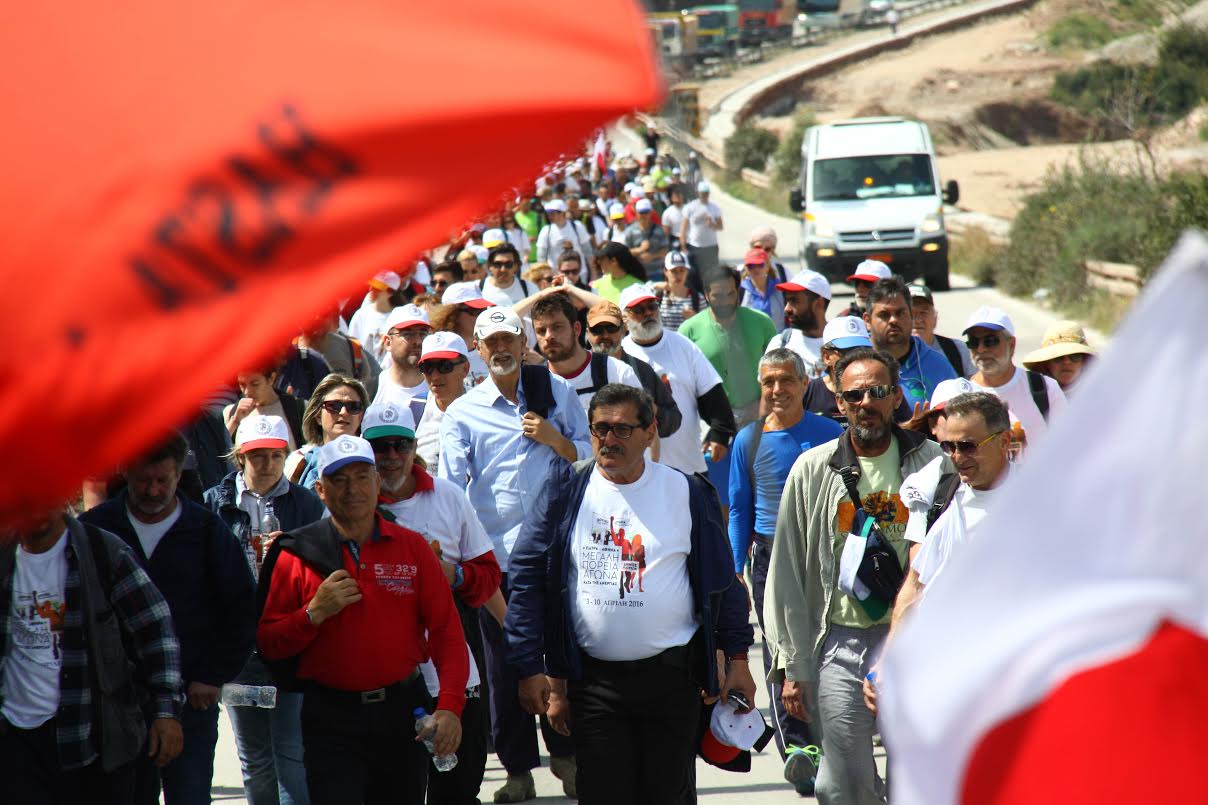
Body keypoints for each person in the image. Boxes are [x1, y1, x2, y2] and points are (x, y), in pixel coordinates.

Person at [506, 383, 757, 805]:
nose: (609, 439)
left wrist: (737, 660)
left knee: (667, 794)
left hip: (672, 680)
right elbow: (528, 576)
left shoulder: (688, 492)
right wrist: (534, 668)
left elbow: (722, 583)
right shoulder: (566, 490)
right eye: (600, 429)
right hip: (594, 684)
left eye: (622, 429)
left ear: (650, 431)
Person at [763, 348, 948, 805]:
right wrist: (793, 666)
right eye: (854, 395)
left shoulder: (934, 463)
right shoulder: (812, 469)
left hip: (913, 644)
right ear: (839, 403)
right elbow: (786, 572)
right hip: (840, 644)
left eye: (878, 391)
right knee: (840, 785)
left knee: (917, 779)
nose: (867, 402)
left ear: (896, 396)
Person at [256, 435, 469, 805]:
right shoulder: (297, 553)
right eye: (339, 480)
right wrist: (312, 614)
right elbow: (269, 644)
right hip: (331, 718)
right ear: (320, 490)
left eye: (361, 477)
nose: (352, 489)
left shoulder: (413, 547)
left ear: (377, 482)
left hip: (403, 713)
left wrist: (450, 706)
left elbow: (447, 632)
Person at [439, 306, 590, 802]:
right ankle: (518, 770)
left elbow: (592, 454)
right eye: (491, 342)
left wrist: (554, 438)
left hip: (556, 550)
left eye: (509, 339)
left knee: (560, 655)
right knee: (504, 667)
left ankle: (566, 757)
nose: (501, 348)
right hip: (496, 558)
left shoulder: (557, 392)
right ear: (478, 351)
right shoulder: (463, 412)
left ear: (523, 344)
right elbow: (450, 487)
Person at [81, 432, 257, 805]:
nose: (153, 490)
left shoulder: (207, 531)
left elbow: (241, 609)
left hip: (190, 698)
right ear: (125, 472)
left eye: (163, 480)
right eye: (144, 480)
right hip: (115, 702)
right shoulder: (96, 530)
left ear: (179, 474)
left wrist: (213, 674)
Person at [363, 402, 502, 805]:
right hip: (387, 681)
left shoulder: (448, 496)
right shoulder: (352, 503)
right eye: (380, 447)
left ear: (414, 447)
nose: (391, 456)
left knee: (457, 791)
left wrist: (452, 575)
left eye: (400, 445)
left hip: (453, 674)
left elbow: (488, 577)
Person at [0, 506, 184, 805]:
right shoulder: (5, 555)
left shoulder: (101, 551)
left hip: (90, 740)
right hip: (14, 741)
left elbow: (156, 628)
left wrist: (166, 712)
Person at [728, 351, 843, 795]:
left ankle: (832, 739)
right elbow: (739, 507)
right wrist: (736, 568)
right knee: (780, 650)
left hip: (824, 553)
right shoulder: (749, 440)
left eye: (786, 380)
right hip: (769, 558)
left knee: (828, 644)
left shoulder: (830, 433)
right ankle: (798, 749)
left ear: (804, 382)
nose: (778, 390)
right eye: (769, 382)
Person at [863, 392, 1013, 717]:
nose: (957, 457)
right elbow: (916, 586)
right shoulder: (944, 497)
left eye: (968, 446)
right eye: (949, 447)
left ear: (1004, 441)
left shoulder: (1041, 501)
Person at [203, 415, 325, 805]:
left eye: (275, 456)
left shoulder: (306, 504)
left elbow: (329, 562)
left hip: (290, 642)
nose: (268, 464)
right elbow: (203, 571)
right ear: (240, 457)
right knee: (254, 756)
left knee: (289, 749)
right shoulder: (215, 503)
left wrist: (294, 549)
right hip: (239, 646)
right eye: (258, 456)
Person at [680, 267, 777, 509]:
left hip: (757, 420)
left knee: (757, 495)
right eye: (717, 295)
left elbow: (776, 373)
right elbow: (684, 384)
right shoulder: (689, 330)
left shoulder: (762, 323)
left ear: (738, 292)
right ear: (706, 295)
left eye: (730, 294)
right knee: (718, 496)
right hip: (711, 427)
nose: (725, 301)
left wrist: (762, 413)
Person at [620, 283, 736, 477]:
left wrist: (720, 434)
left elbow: (711, 391)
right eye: (638, 310)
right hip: (639, 470)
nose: (648, 313)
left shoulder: (683, 346)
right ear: (624, 318)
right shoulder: (620, 354)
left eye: (652, 307)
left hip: (688, 465)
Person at [964, 306, 1067, 447]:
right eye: (974, 342)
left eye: (990, 341)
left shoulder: (1045, 389)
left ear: (1011, 345)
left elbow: (1066, 444)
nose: (981, 349)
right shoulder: (959, 392)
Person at [583, 301, 684, 442]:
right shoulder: (577, 369)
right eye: (597, 330)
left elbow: (673, 419)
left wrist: (649, 408)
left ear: (623, 330)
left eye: (611, 328)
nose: (605, 335)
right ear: (587, 333)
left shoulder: (641, 370)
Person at [531, 291, 641, 412]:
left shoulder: (618, 373)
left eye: (557, 327)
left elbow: (645, 423)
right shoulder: (532, 384)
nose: (548, 336)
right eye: (541, 331)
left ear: (576, 329)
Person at [863, 277, 956, 410]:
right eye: (884, 314)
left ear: (911, 316)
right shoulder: (852, 365)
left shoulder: (939, 367)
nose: (893, 320)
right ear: (867, 320)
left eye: (900, 313)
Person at [803, 317, 912, 426]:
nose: (856, 358)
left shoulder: (885, 390)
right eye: (847, 352)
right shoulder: (808, 394)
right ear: (826, 356)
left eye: (863, 351)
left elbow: (906, 426)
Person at [284, 375, 370, 490]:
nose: (344, 412)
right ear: (318, 416)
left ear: (360, 417)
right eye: (334, 406)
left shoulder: (374, 460)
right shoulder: (299, 463)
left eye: (353, 407)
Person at [412, 332, 471, 472]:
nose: (435, 376)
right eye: (427, 368)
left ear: (465, 369)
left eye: (444, 366)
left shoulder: (485, 408)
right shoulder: (414, 409)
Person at [297, 307, 382, 400]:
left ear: (337, 320)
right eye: (309, 315)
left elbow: (374, 388)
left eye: (323, 315)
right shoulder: (290, 353)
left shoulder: (352, 350)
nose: (316, 319)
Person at [767, 269, 832, 379]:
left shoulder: (842, 343)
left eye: (794, 301)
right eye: (787, 301)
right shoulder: (781, 343)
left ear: (819, 303)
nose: (787, 309)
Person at [224, 365, 306, 451]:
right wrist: (235, 422)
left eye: (255, 384)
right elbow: (218, 449)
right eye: (242, 385)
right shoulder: (231, 412)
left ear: (271, 378)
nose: (247, 391)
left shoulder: (298, 408)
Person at [438, 281, 496, 388]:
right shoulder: (436, 353)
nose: (481, 316)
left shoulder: (491, 350)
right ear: (451, 314)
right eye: (474, 311)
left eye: (483, 310)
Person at [909, 284, 972, 377]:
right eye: (911, 313)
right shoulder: (889, 355)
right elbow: (882, 387)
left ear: (935, 318)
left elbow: (976, 383)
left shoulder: (958, 350)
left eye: (923, 313)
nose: (918, 320)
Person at [374, 303, 432, 404]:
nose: (418, 341)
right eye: (407, 334)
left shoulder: (439, 387)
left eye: (423, 334)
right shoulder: (373, 387)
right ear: (388, 342)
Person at [1022, 320, 1095, 393]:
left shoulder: (1096, 394)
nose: (1066, 362)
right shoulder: (1030, 395)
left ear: (1084, 362)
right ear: (1046, 363)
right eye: (1058, 357)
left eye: (1075, 356)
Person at [347, 271, 402, 362]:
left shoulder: (400, 316)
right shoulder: (361, 314)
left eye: (377, 288)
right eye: (371, 286)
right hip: (366, 368)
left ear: (390, 292)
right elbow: (351, 346)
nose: (371, 290)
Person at [679, 181, 723, 288]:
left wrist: (712, 224)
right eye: (702, 193)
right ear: (698, 193)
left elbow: (720, 226)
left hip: (711, 246)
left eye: (706, 193)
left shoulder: (714, 208)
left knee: (712, 273)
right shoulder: (690, 207)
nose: (704, 195)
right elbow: (684, 227)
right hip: (695, 245)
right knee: (694, 273)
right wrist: (683, 245)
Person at [655, 250, 706, 332]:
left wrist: (695, 318)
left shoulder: (698, 298)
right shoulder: (657, 296)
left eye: (682, 270)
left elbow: (706, 327)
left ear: (687, 272)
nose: (678, 275)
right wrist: (654, 285)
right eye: (674, 271)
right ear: (665, 272)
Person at [535, 199, 593, 269]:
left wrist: (593, 271)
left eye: (553, 213)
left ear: (562, 213)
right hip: (556, 273)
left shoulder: (578, 226)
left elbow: (588, 251)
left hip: (580, 272)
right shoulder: (545, 230)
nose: (550, 216)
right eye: (548, 214)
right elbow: (541, 257)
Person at [622, 199, 669, 279]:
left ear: (651, 213)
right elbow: (625, 252)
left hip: (657, 272)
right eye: (641, 213)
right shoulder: (629, 231)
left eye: (646, 212)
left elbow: (665, 250)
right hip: (637, 273)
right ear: (636, 213)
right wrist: (640, 249)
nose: (644, 215)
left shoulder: (659, 230)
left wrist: (652, 256)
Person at [739, 248, 785, 329]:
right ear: (745, 268)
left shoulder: (781, 288)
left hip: (779, 336)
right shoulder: (740, 291)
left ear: (767, 266)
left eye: (760, 265)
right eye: (751, 266)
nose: (756, 269)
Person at [661, 184, 686, 250]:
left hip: (691, 240)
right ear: (671, 197)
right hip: (676, 241)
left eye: (679, 193)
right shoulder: (667, 213)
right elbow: (666, 232)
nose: (678, 196)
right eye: (675, 194)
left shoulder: (689, 208)